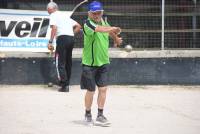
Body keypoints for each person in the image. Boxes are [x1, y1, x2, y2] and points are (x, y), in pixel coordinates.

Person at [80, 1, 122, 125]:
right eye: (94, 13)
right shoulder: (87, 24)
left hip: (104, 62)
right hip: (89, 64)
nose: (96, 15)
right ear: (89, 13)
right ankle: (88, 114)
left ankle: (100, 115)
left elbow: (109, 31)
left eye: (99, 12)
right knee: (91, 91)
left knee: (103, 89)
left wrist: (116, 39)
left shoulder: (104, 22)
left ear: (102, 12)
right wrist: (113, 28)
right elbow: (99, 29)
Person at [47, 1, 82, 92]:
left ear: (54, 9)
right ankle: (66, 84)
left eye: (49, 10)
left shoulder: (53, 15)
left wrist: (50, 41)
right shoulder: (65, 16)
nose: (48, 12)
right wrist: (70, 34)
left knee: (60, 62)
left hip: (62, 39)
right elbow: (78, 26)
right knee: (68, 62)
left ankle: (64, 85)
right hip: (70, 39)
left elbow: (54, 28)